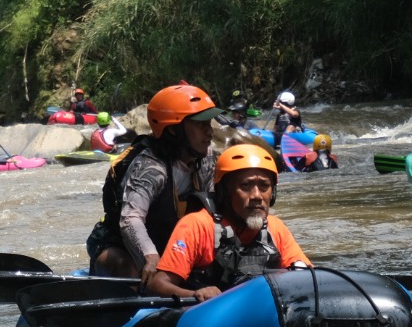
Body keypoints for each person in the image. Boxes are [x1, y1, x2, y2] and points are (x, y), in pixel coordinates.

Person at [86, 82, 221, 284]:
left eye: (209, 123)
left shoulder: (206, 159)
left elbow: (216, 211)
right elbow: (130, 219)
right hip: (119, 245)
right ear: (174, 130)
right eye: (200, 124)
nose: (209, 132)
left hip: (171, 244)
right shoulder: (149, 167)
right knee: (128, 268)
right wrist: (149, 256)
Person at [147, 143, 312, 301]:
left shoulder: (275, 227)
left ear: (273, 194)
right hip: (209, 316)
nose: (257, 195)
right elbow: (158, 284)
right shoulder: (196, 225)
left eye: (264, 186)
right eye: (246, 185)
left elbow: (308, 276)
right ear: (224, 193)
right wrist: (195, 294)